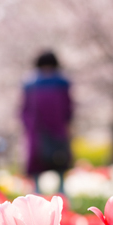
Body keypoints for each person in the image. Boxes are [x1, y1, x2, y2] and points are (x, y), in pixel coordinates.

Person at [20, 50, 73, 193]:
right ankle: (42, 190)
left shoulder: (31, 84)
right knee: (50, 160)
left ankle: (58, 191)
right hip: (46, 129)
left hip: (45, 129)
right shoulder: (60, 83)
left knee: (57, 161)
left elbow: (24, 109)